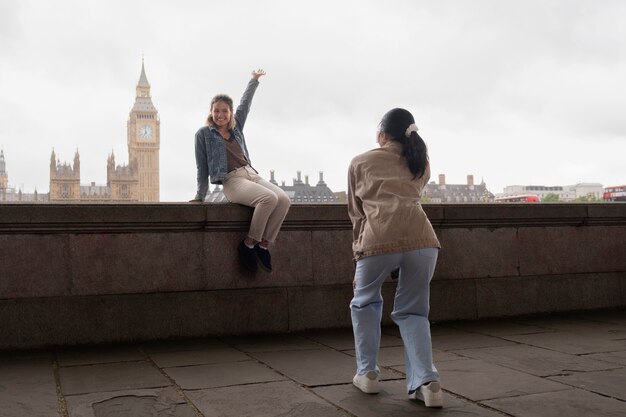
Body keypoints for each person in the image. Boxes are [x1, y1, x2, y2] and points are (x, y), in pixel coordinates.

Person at [347, 108, 443, 408]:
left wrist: (357, 256)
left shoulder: (360, 162)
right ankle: (427, 383)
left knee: (364, 303)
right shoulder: (420, 160)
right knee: (414, 313)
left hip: (378, 237)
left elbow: (357, 214)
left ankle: (369, 374)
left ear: (383, 134)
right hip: (423, 239)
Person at [191, 69, 290, 273]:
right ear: (211, 112)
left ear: (230, 113)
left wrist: (254, 80)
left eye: (225, 111)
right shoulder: (203, 134)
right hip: (231, 180)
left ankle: (263, 245)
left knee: (284, 200)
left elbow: (245, 104)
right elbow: (202, 166)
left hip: (251, 173)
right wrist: (200, 196)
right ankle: (248, 243)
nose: (220, 115)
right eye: (216, 110)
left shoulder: (236, 128)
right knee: (268, 199)